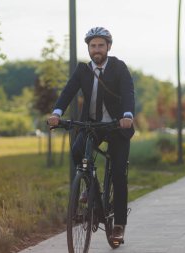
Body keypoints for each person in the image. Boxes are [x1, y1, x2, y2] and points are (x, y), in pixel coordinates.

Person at [47, 27, 135, 243]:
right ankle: (91, 191)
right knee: (77, 151)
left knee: (118, 175)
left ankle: (119, 226)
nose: (97, 49)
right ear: (88, 48)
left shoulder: (119, 67)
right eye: (93, 46)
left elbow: (128, 92)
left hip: (117, 127)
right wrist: (57, 112)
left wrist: (127, 115)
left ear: (108, 47)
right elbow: (68, 91)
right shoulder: (82, 70)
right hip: (92, 125)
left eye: (101, 45)